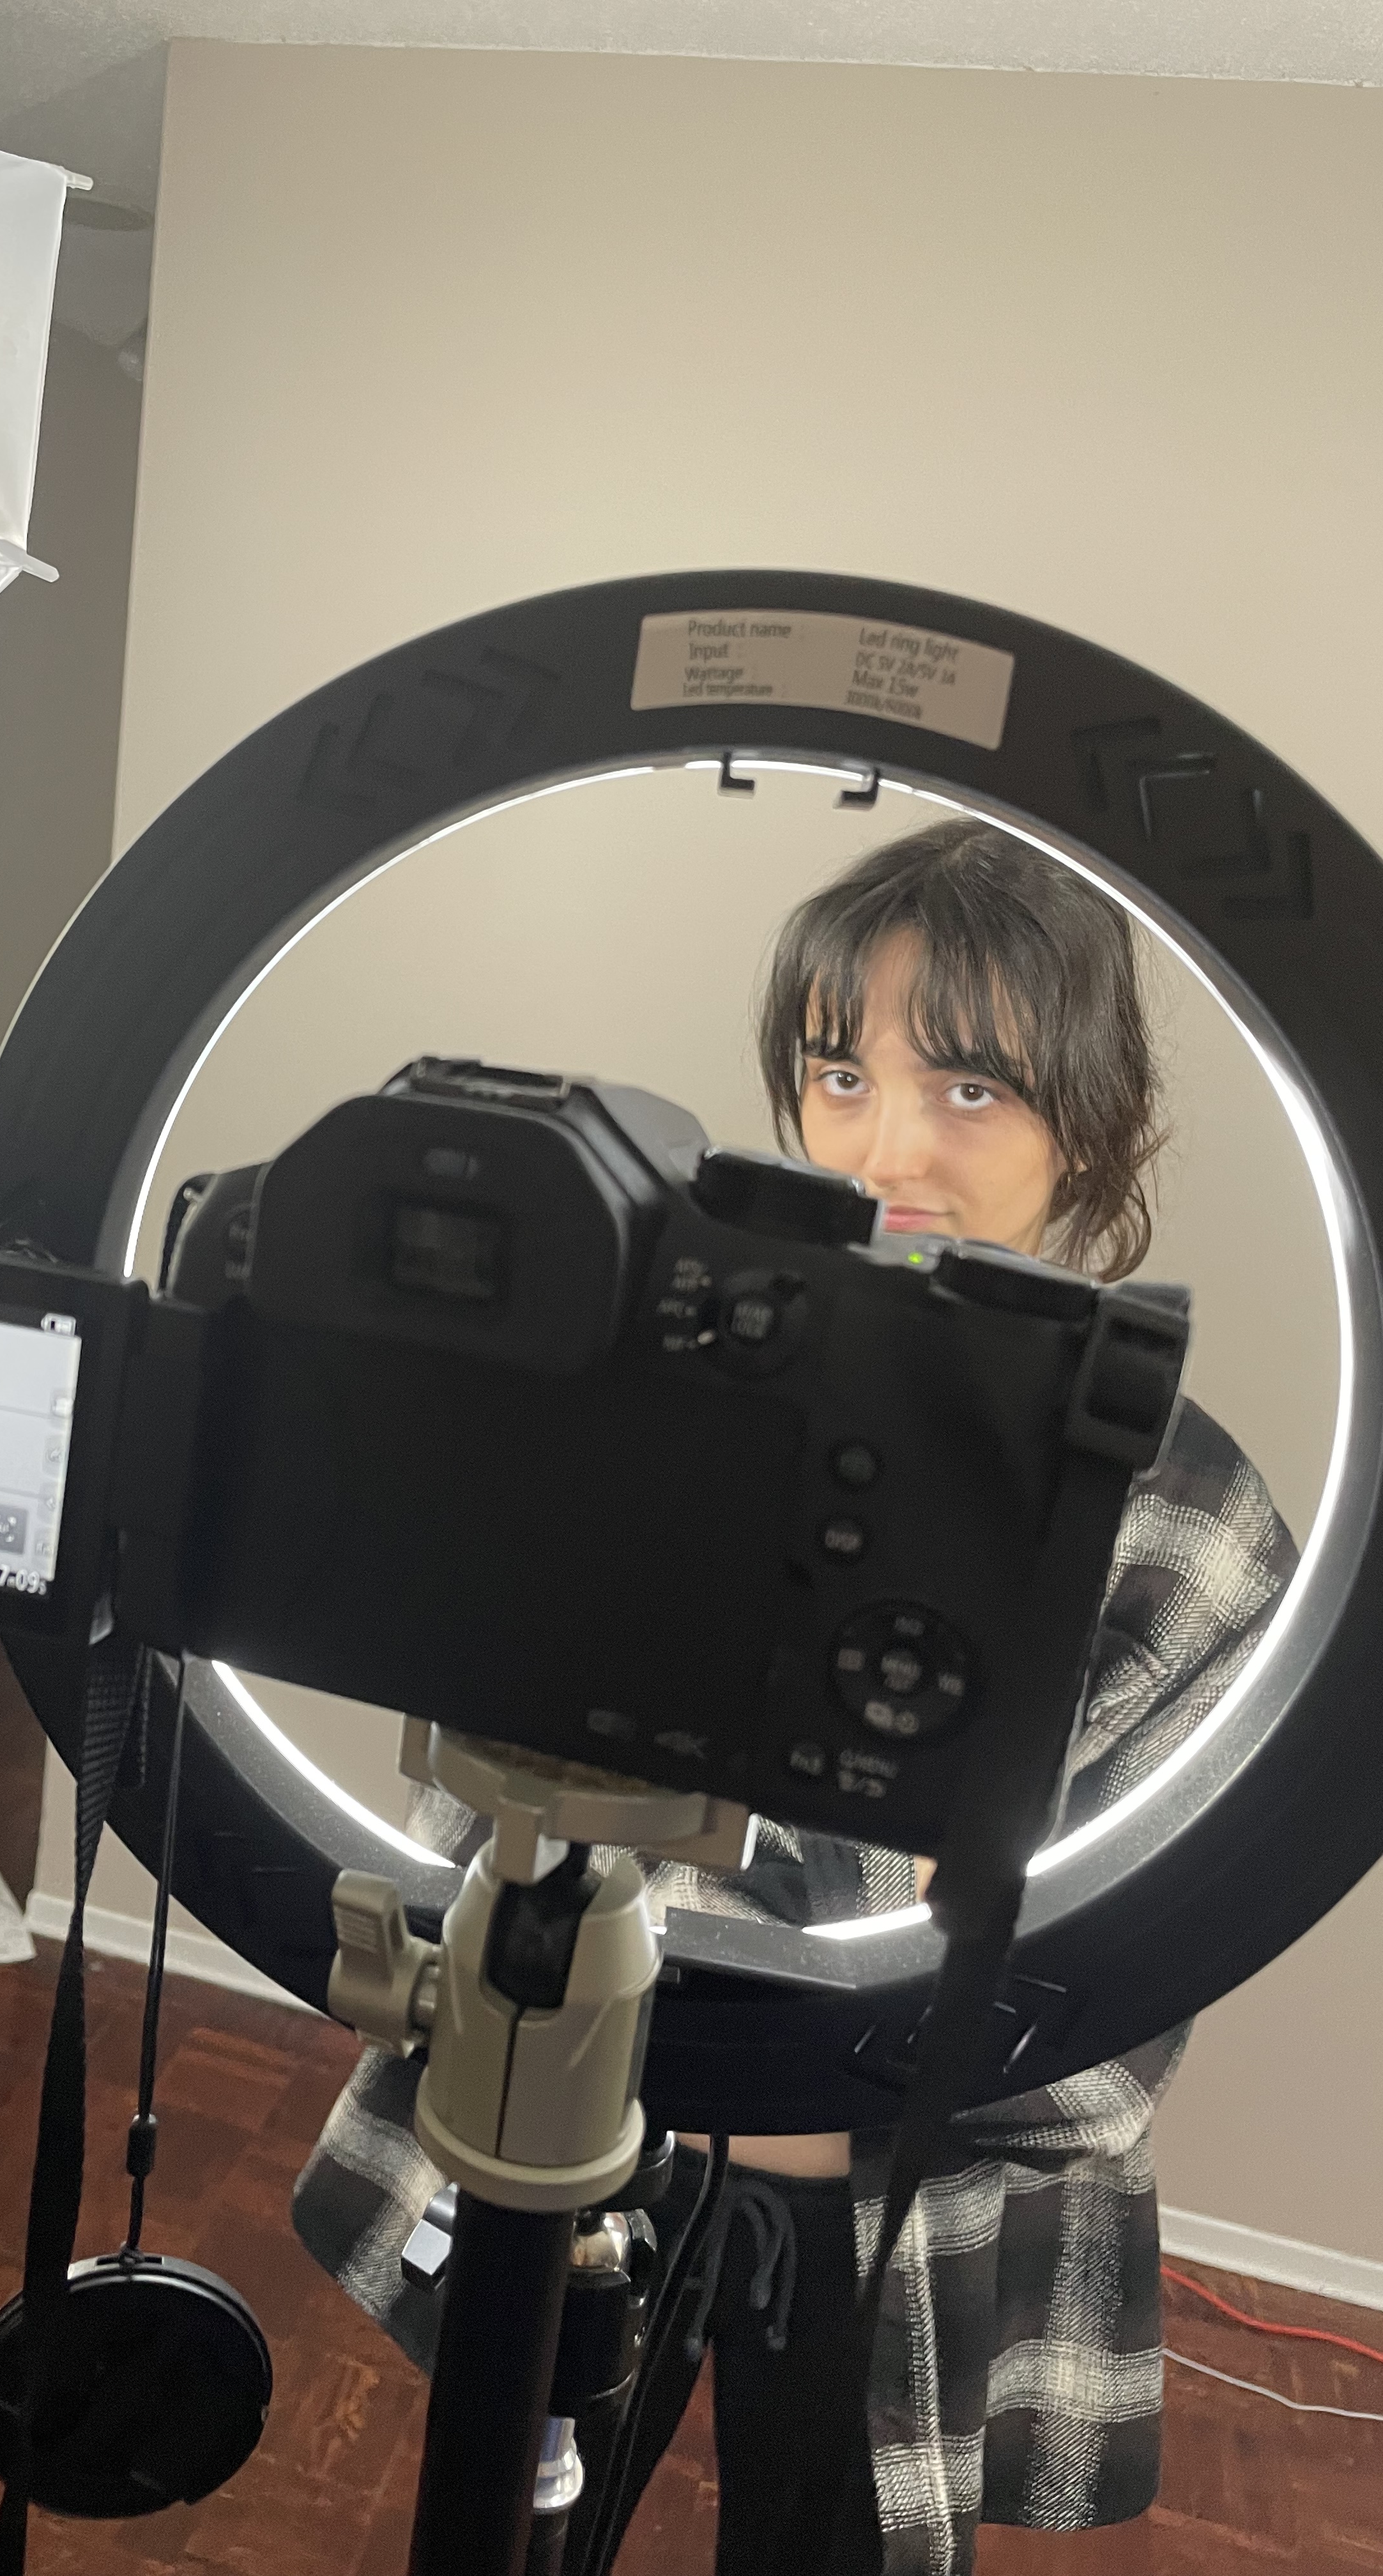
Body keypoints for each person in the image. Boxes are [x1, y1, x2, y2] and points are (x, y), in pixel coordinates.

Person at [291, 816, 1297, 2575]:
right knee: (518, 2507)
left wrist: (784, 2057)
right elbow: (496, 1801)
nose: (888, 1149)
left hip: (892, 2211)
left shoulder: (1185, 1530)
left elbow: (1101, 2021)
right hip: (602, 2125)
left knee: (830, 2542)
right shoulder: (675, 1399)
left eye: (970, 1088)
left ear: (1090, 1120)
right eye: (841, 1075)